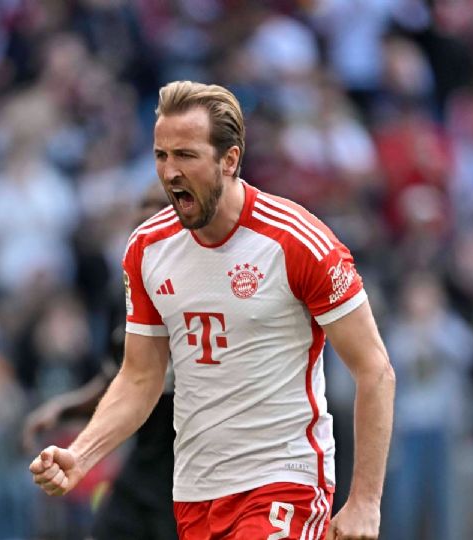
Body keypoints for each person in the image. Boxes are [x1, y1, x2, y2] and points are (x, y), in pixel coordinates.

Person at [30, 81, 395, 540]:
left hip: (283, 482)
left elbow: (374, 369)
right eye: (161, 156)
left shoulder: (297, 242)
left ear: (230, 160)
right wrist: (81, 455)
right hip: (195, 492)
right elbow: (140, 378)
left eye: (185, 155)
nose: (170, 172)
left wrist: (365, 501)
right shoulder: (146, 250)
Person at [22, 183, 178, 540]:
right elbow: (120, 378)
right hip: (145, 464)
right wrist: (65, 409)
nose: (146, 212)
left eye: (159, 205)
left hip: (194, 470)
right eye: (142, 204)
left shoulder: (202, 293)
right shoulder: (124, 294)